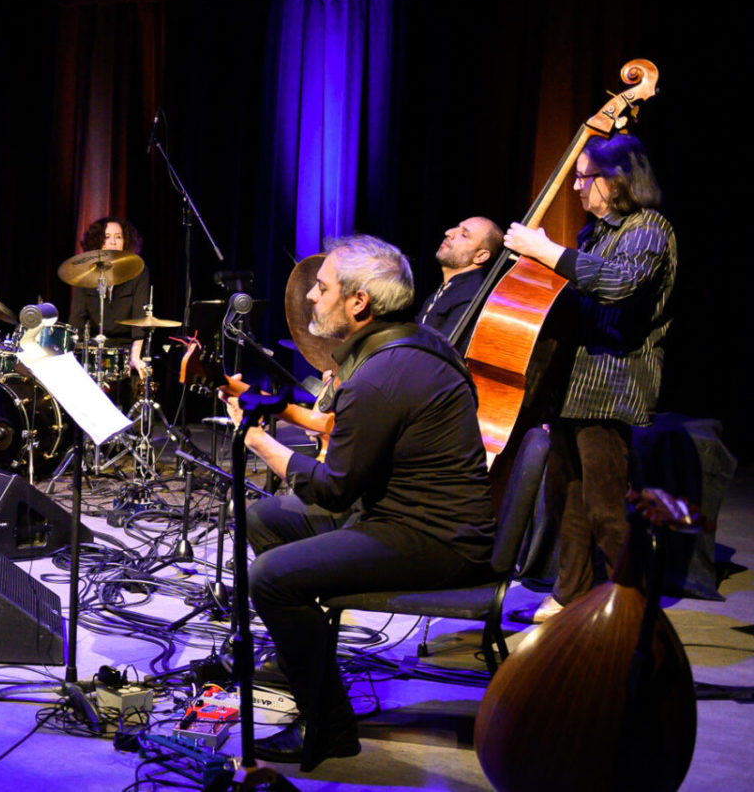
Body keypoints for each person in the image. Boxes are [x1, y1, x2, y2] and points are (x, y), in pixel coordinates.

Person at [224, 234, 494, 770]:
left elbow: (331, 490)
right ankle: (306, 659)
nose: (309, 299)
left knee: (269, 578)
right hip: (402, 519)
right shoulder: (408, 347)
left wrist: (256, 440)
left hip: (434, 541)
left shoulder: (380, 376)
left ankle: (327, 728)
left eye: (321, 289)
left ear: (358, 303)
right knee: (265, 518)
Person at [503, 133, 675, 624]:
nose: (576, 187)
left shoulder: (648, 229)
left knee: (604, 506)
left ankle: (635, 606)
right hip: (573, 384)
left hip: (611, 383)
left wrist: (547, 251)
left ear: (618, 180)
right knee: (567, 501)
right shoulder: (593, 235)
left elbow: (618, 285)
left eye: (585, 176)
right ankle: (571, 593)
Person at [66, 216, 152, 379]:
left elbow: (140, 320)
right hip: (93, 350)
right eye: (107, 237)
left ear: (125, 242)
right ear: (98, 242)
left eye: (118, 237)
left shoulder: (139, 272)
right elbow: (77, 319)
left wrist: (135, 357)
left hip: (126, 349)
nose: (113, 242)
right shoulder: (86, 274)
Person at [416, 215, 503, 348]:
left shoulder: (469, 296)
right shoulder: (449, 288)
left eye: (464, 235)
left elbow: (442, 357)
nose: (449, 233)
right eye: (457, 227)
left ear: (480, 256)